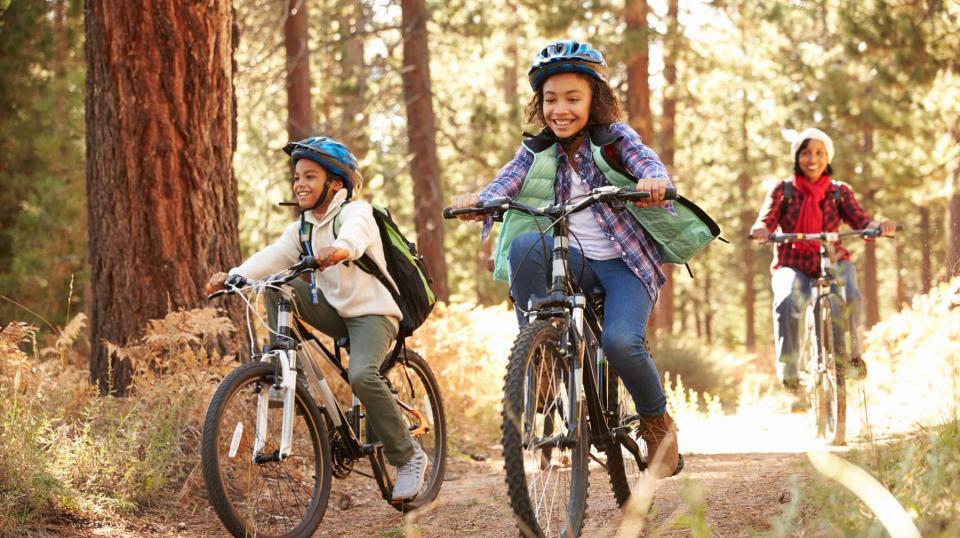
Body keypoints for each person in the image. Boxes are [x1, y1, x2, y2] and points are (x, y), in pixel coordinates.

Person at [450, 39, 681, 479]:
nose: (560, 109)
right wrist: (480, 201)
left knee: (619, 343)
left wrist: (652, 179)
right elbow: (506, 183)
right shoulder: (536, 150)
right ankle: (545, 354)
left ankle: (657, 423)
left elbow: (646, 161)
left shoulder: (615, 138)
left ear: (594, 100)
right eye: (550, 99)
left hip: (623, 264)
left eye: (573, 98)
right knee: (522, 247)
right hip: (569, 259)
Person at [206, 136, 428, 500]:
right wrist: (235, 275)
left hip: (374, 313)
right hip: (337, 312)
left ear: (335, 183)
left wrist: (340, 250)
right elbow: (274, 255)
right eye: (296, 177)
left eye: (310, 176)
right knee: (278, 284)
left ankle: (408, 457)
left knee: (361, 375)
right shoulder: (302, 228)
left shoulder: (357, 212)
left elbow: (355, 238)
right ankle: (283, 363)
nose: (300, 184)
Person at [750, 128, 896, 400]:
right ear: (797, 158)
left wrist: (878, 227)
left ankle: (852, 356)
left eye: (819, 153)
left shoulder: (839, 192)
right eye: (806, 153)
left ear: (828, 157)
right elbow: (766, 220)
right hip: (792, 262)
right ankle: (790, 373)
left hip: (833, 260)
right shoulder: (783, 191)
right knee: (787, 301)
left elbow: (861, 221)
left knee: (850, 294)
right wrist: (761, 229)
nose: (812, 159)